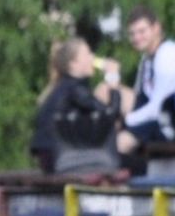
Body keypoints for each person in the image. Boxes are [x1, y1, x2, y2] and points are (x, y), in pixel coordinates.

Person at [30, 38, 125, 174]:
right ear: (73, 64)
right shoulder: (75, 89)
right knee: (135, 165)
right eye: (87, 54)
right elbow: (110, 115)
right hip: (62, 158)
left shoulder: (66, 87)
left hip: (54, 156)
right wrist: (113, 79)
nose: (93, 57)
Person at [117, 5, 175, 171]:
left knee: (119, 144)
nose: (137, 37)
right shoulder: (146, 60)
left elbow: (158, 107)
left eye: (142, 31)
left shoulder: (168, 54)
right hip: (154, 120)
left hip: (168, 121)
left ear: (156, 28)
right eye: (132, 34)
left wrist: (127, 121)